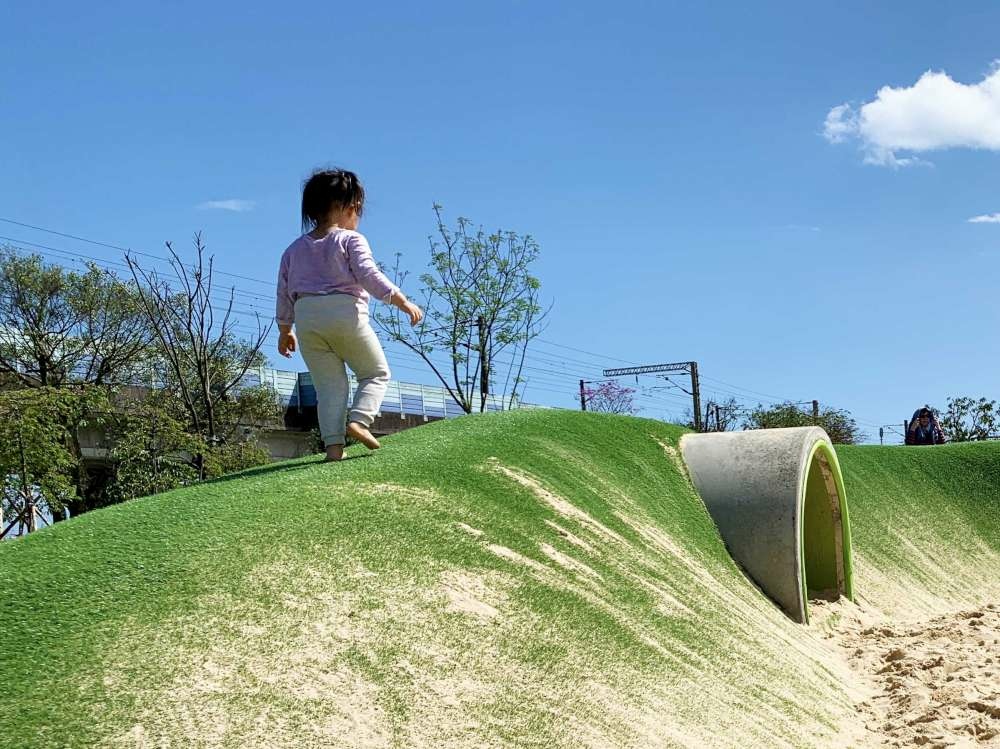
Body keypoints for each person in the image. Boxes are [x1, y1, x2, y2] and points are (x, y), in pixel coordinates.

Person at [276, 168, 423, 462]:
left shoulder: (292, 250)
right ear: (351, 207)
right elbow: (369, 274)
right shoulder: (350, 240)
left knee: (329, 387)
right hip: (345, 313)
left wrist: (284, 329)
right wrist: (401, 300)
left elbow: (283, 290)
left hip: (307, 320)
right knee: (375, 372)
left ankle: (333, 449)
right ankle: (360, 420)